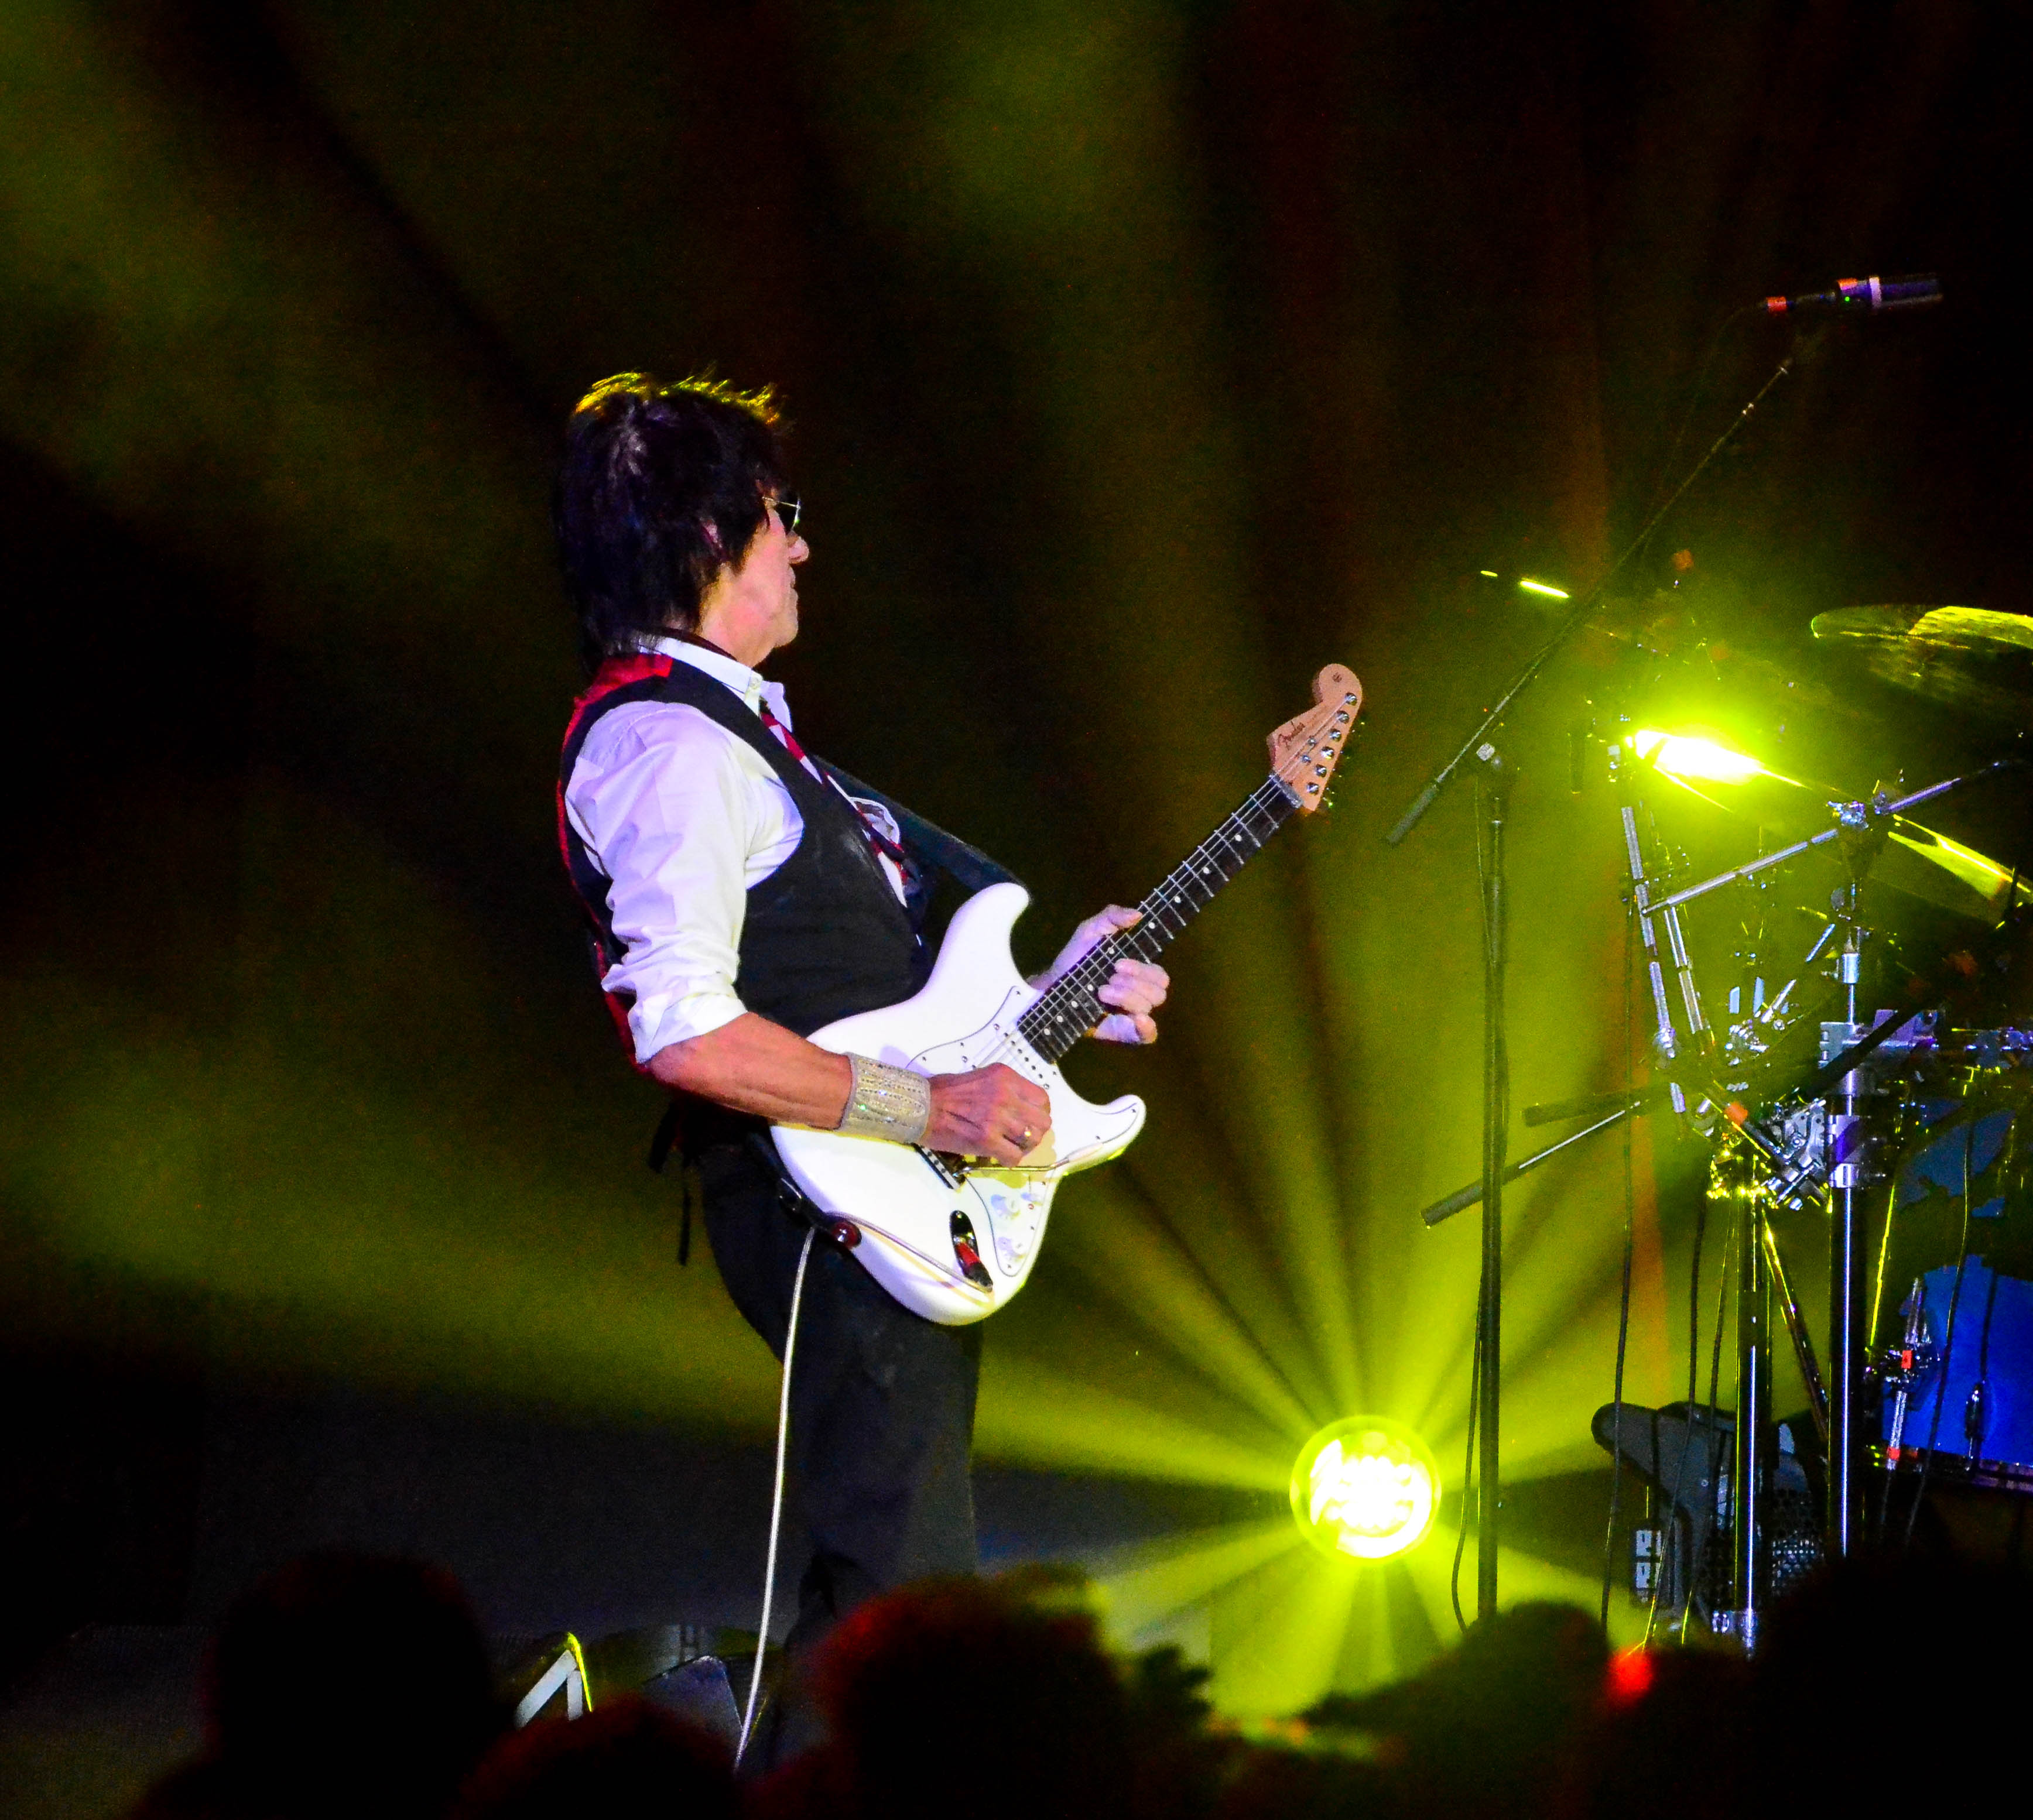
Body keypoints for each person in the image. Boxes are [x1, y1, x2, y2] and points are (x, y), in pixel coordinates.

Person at [552, 373, 1170, 1763]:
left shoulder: (754, 743)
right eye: (782, 515)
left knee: (874, 1612)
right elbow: (685, 1032)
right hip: (823, 1209)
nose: (804, 545)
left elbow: (878, 988)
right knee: (909, 1603)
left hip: (878, 1199)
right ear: (706, 532)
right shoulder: (667, 751)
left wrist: (1050, 986)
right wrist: (936, 1105)